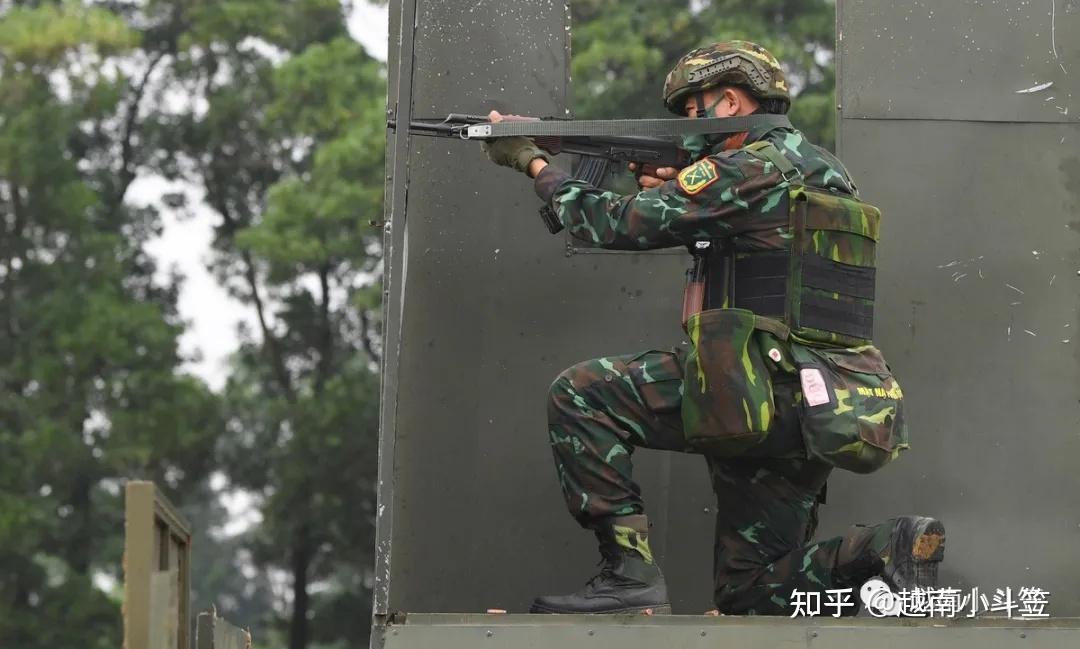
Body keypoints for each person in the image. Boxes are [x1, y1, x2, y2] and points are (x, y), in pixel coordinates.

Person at [482, 41, 945, 616]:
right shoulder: (823, 170)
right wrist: (681, 183)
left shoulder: (745, 169)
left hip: (754, 386)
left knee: (583, 395)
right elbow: (758, 236)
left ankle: (628, 576)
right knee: (750, 594)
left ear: (730, 101)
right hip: (822, 403)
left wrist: (531, 160)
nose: (684, 125)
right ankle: (882, 548)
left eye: (693, 110)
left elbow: (610, 222)